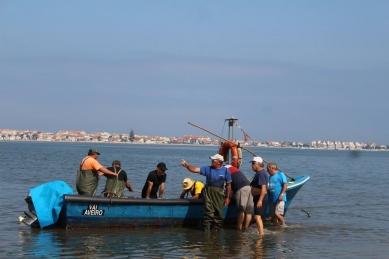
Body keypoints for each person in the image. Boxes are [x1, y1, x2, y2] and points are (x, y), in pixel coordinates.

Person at [181, 153, 232, 231]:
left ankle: (216, 234)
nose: (211, 161)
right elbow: (195, 169)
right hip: (208, 193)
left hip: (219, 194)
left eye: (213, 160)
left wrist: (228, 197)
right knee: (208, 214)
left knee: (219, 215)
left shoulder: (225, 170)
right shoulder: (208, 168)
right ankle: (206, 235)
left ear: (219, 162)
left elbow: (228, 185)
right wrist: (187, 165)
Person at [225, 165, 254, 231]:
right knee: (249, 211)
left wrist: (228, 197)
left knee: (241, 210)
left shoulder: (226, 171)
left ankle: (239, 228)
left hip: (241, 189)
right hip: (249, 187)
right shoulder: (236, 170)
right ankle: (246, 228)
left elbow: (228, 187)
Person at [250, 156, 269, 236]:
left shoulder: (261, 174)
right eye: (252, 163)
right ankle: (260, 232)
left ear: (258, 164)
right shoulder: (259, 173)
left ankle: (261, 234)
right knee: (257, 216)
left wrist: (260, 200)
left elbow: (264, 189)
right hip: (257, 197)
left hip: (260, 198)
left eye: (253, 163)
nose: (252, 165)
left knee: (257, 217)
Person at [267, 162, 288, 226]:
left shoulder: (280, 174)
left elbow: (285, 185)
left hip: (280, 198)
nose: (267, 171)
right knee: (273, 216)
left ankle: (284, 225)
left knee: (277, 213)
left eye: (268, 169)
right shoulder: (270, 176)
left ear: (272, 168)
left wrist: (281, 195)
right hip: (272, 199)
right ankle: (276, 227)